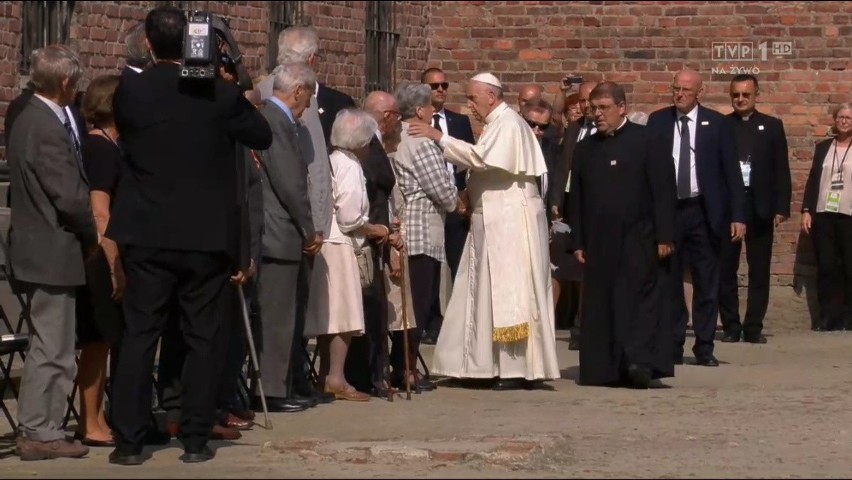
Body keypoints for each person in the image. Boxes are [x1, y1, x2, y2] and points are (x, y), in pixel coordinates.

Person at [106, 6, 272, 465]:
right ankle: (196, 437)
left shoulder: (132, 91)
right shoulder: (217, 94)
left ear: (147, 41)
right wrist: (230, 77)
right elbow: (260, 133)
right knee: (203, 337)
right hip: (203, 234)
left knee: (141, 334)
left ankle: (129, 440)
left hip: (146, 230)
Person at [409, 72, 560, 390]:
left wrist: (439, 137)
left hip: (508, 220)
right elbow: (486, 167)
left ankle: (515, 369)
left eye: (473, 98)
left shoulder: (507, 123)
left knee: (511, 293)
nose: (469, 106)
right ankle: (484, 366)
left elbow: (481, 158)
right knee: (483, 293)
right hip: (493, 217)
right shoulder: (499, 125)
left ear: (491, 96)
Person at [7, 44, 99, 462]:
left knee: (51, 344)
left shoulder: (32, 116)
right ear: (65, 82)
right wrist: (91, 232)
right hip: (50, 249)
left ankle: (39, 427)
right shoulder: (43, 125)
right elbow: (68, 196)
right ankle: (40, 430)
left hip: (40, 247)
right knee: (53, 347)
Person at [567, 82, 677, 388]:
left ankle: (639, 362)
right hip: (599, 241)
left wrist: (665, 236)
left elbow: (663, 190)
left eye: (604, 108)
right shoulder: (586, 148)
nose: (598, 115)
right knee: (602, 304)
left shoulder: (647, 141)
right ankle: (604, 368)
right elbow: (576, 196)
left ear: (622, 107)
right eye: (593, 109)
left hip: (640, 237)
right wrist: (577, 240)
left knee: (639, 302)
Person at [646, 68, 745, 367]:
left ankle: (704, 345)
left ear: (699, 93)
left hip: (704, 210)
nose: (680, 94)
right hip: (670, 210)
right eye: (676, 88)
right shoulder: (658, 121)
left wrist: (738, 215)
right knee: (671, 280)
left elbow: (732, 173)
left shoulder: (715, 124)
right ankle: (673, 343)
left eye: (687, 90)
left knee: (706, 280)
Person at [304, 108, 389, 401]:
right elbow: (350, 215)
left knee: (331, 315)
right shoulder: (350, 166)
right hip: (341, 244)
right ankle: (336, 378)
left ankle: (329, 375)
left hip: (329, 241)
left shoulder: (330, 159)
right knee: (343, 315)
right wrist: (375, 229)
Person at [254, 62, 323, 414]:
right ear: (298, 91)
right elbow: (290, 183)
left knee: (285, 315)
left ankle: (281, 384)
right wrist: (309, 229)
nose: (309, 105)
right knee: (277, 317)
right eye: (308, 96)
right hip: (279, 231)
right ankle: (272, 389)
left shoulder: (279, 120)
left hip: (282, 231)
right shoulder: (276, 121)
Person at [390, 82, 461, 391]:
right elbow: (442, 191)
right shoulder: (420, 142)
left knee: (409, 304)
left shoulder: (394, 136)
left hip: (405, 226)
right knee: (417, 304)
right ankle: (404, 368)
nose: (434, 111)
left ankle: (400, 364)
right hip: (421, 229)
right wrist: (458, 201)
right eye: (431, 106)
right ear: (420, 111)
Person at [719, 74, 791, 344]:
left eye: (745, 95)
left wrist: (781, 205)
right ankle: (730, 326)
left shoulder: (771, 126)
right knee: (726, 267)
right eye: (735, 95)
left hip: (759, 204)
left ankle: (753, 327)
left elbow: (781, 169)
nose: (740, 100)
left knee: (759, 269)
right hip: (729, 206)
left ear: (756, 94)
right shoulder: (721, 125)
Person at [74, 74, 125, 448]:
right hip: (100, 257)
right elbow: (100, 212)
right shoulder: (101, 149)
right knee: (97, 339)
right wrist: (114, 265)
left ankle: (99, 415)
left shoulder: (109, 145)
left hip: (107, 254)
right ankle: (89, 420)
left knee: (104, 341)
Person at [801, 103, 852, 332]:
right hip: (824, 213)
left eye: (849, 118)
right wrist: (806, 210)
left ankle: (849, 318)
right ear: (834, 120)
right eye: (841, 117)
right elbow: (813, 181)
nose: (844, 121)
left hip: (849, 213)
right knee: (827, 266)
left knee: (849, 266)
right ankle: (828, 318)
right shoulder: (823, 147)